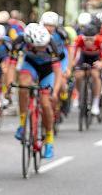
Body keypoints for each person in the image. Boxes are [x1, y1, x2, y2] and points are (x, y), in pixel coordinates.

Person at [6, 23, 62, 159]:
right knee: (23, 85)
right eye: (40, 46)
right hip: (30, 64)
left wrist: (55, 93)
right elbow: (11, 67)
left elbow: (58, 72)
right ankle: (22, 123)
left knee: (45, 103)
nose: (43, 47)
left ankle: (49, 140)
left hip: (48, 70)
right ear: (30, 43)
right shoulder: (19, 42)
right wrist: (8, 86)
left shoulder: (51, 44)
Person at [72, 22, 102, 116]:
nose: (88, 42)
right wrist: (72, 66)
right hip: (84, 56)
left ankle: (96, 103)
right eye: (86, 39)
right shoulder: (78, 39)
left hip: (96, 57)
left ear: (95, 37)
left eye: (91, 39)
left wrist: (101, 63)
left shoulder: (101, 40)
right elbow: (73, 55)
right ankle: (78, 95)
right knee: (78, 75)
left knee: (95, 75)